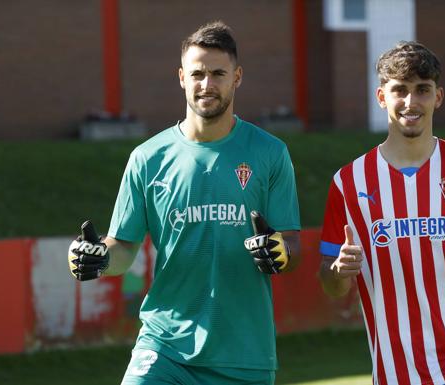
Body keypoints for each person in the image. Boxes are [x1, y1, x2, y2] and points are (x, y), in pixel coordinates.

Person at [67, 21, 301, 385]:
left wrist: (281, 251)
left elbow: (291, 243)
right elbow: (125, 246)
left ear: (237, 77)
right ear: (181, 77)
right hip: (164, 346)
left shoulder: (270, 153)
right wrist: (99, 258)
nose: (207, 84)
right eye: (197, 74)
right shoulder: (148, 157)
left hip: (243, 354)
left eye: (218, 73)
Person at [318, 41, 445, 385]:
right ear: (382, 97)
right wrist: (340, 271)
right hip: (398, 372)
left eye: (422, 90)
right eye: (400, 90)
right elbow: (331, 283)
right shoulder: (348, 181)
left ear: (438, 97)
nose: (411, 103)